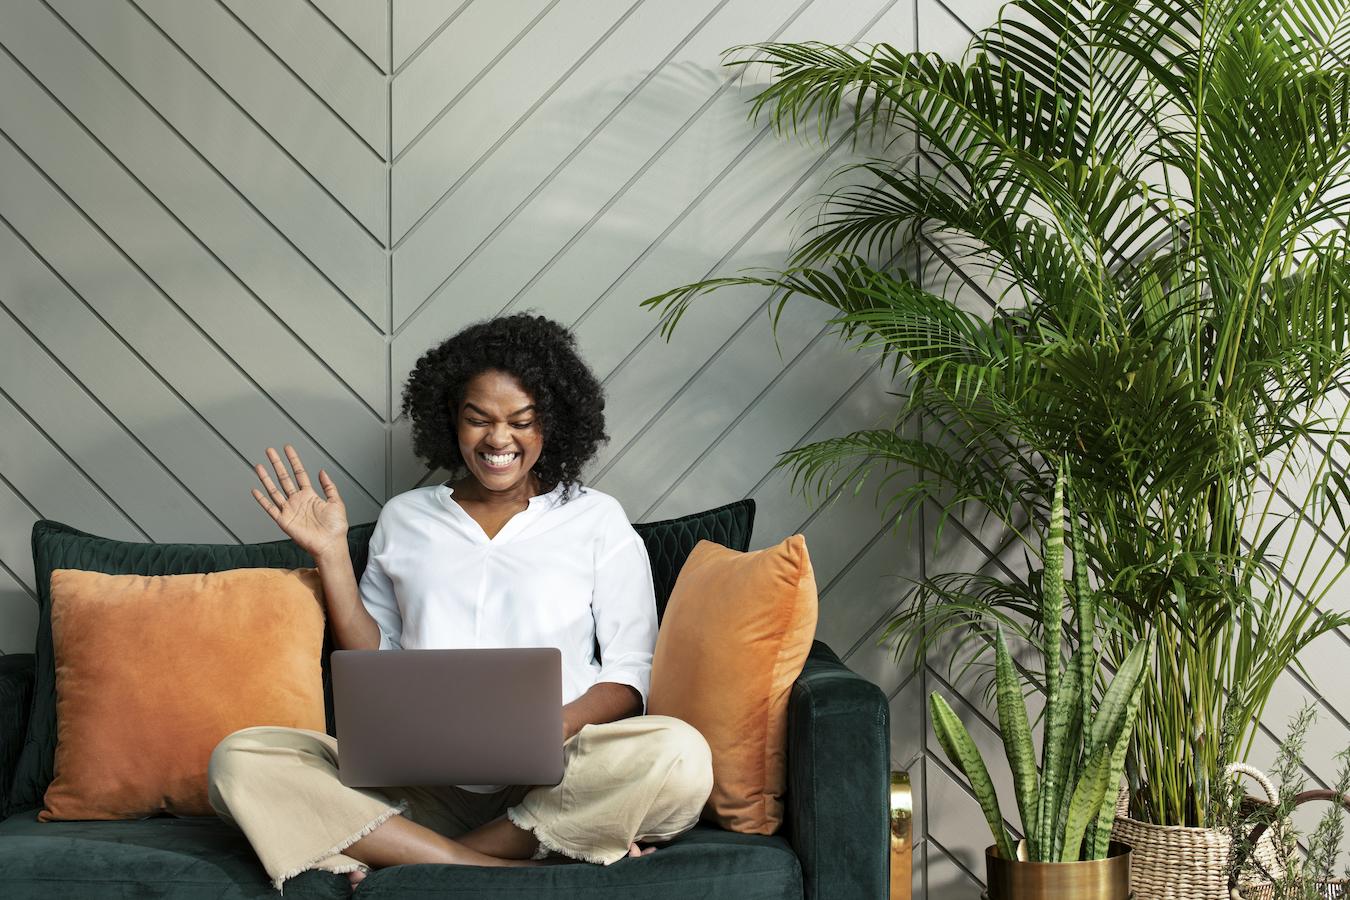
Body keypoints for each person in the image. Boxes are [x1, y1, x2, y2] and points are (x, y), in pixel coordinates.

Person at [206, 313, 714, 895]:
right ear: (451, 419)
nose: (499, 440)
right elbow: (374, 660)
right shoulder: (406, 517)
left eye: (522, 421)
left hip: (556, 778)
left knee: (679, 756)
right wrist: (331, 554)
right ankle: (503, 867)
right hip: (418, 781)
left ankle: (406, 855)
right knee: (239, 760)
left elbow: (630, 672)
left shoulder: (596, 519)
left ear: (552, 423)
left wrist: (551, 727)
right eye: (479, 420)